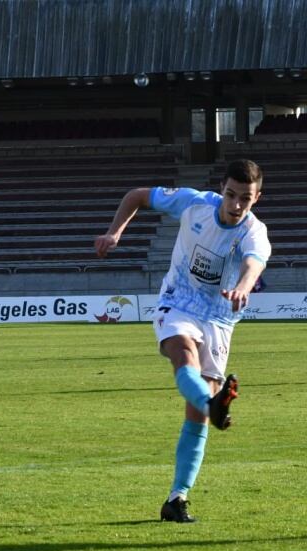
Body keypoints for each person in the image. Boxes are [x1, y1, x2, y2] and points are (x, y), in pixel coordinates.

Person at [94, 159, 270, 524]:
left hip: (221, 318)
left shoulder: (255, 232)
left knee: (196, 416)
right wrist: (115, 233)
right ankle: (213, 403)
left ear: (257, 198)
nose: (236, 205)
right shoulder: (194, 203)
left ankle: (177, 498)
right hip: (178, 301)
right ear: (221, 188)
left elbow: (255, 264)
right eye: (231, 195)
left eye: (245, 199)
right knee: (183, 354)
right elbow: (137, 196)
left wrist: (241, 288)